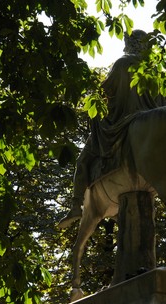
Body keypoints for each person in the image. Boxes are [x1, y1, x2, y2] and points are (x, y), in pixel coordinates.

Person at [57, 30, 159, 228]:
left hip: (120, 123)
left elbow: (104, 94)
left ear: (129, 44)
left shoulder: (123, 63)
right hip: (148, 125)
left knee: (83, 161)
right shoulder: (152, 70)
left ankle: (76, 205)